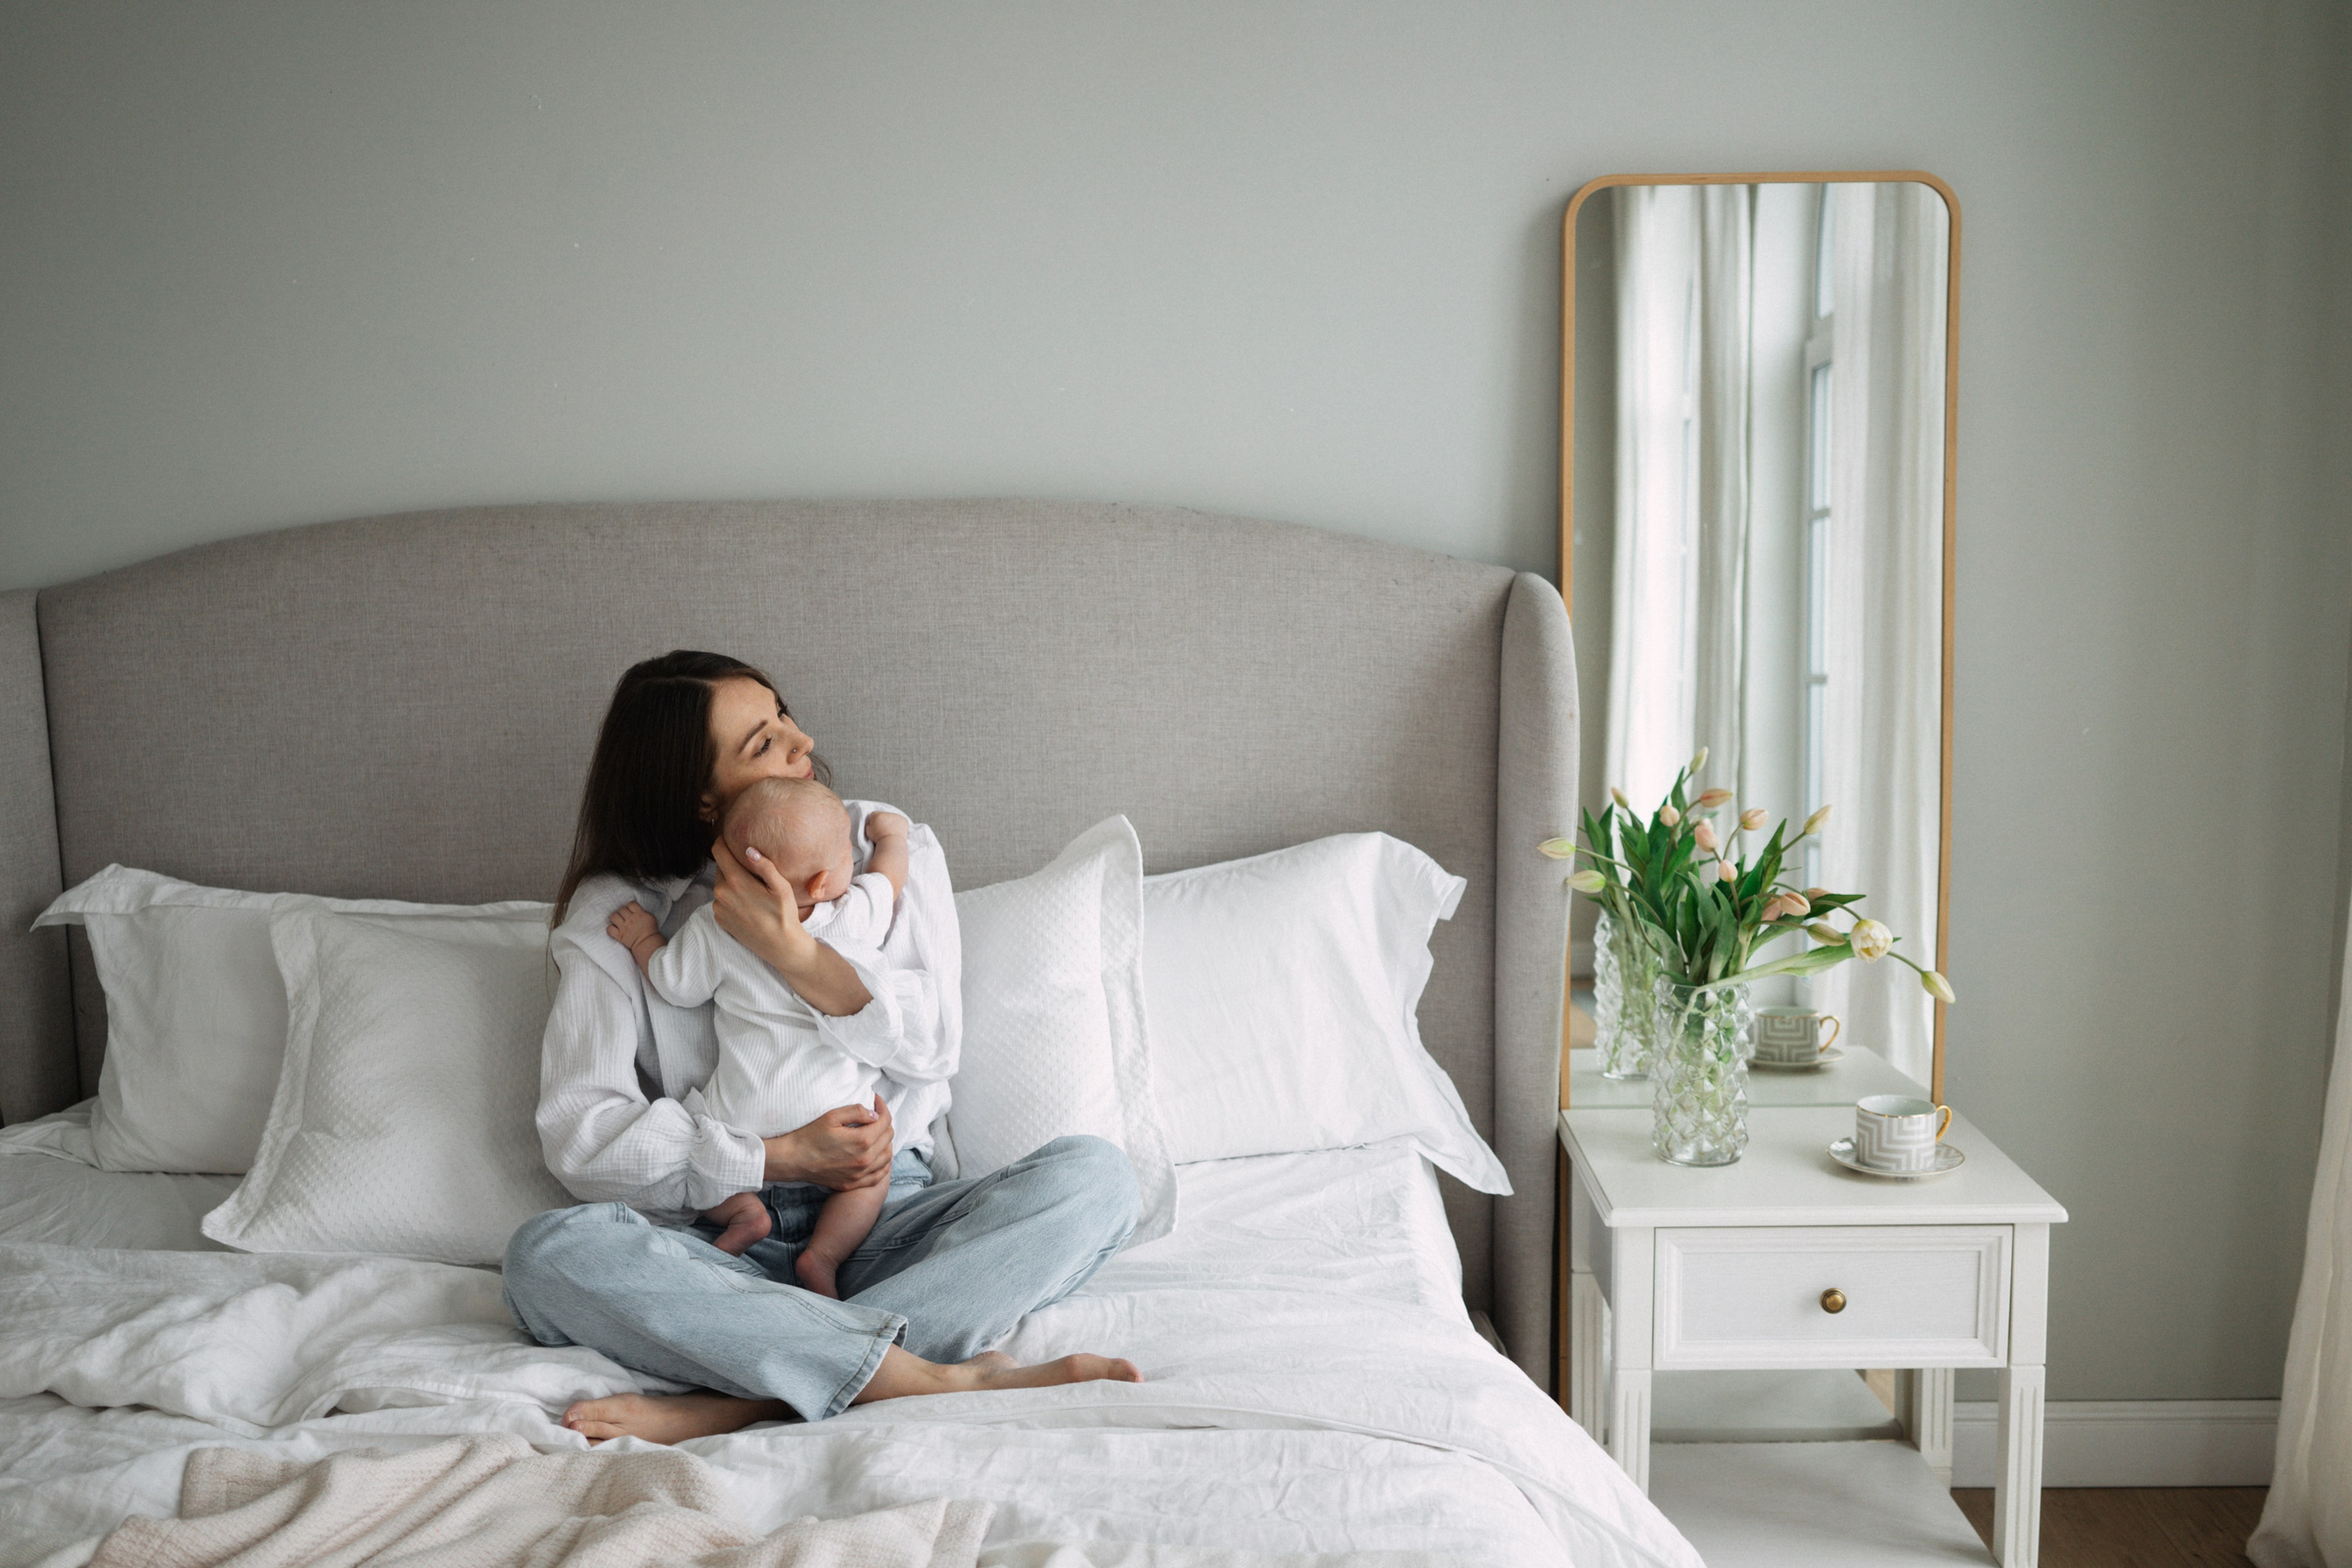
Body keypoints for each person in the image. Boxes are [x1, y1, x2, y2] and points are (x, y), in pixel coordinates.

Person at [503, 650, 1143, 1444]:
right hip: (721, 1247)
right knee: (546, 1254)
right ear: (702, 798)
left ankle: (755, 1397)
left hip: (883, 1222)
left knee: (1101, 1179)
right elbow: (583, 1138)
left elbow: (933, 1049)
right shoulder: (620, 914)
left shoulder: (875, 851)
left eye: (785, 716)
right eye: (764, 741)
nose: (803, 741)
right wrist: (776, 1156)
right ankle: (906, 1372)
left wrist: (798, 955)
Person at [606, 776, 913, 1292]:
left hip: (741, 1117)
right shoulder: (849, 914)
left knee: (703, 1147)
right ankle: (825, 1256)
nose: (854, 867)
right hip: (837, 1117)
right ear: (821, 883)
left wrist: (645, 939)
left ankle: (745, 1212)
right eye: (847, 859)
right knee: (870, 1174)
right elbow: (889, 880)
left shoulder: (713, 925)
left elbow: (672, 983)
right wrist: (892, 839)